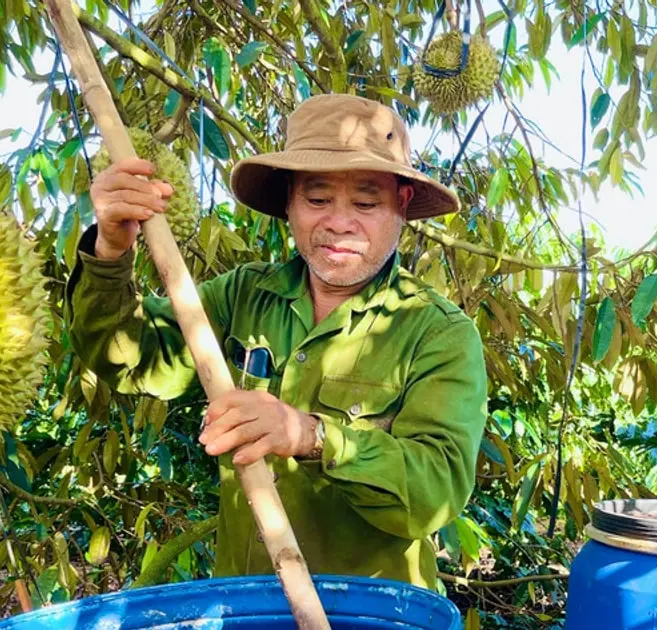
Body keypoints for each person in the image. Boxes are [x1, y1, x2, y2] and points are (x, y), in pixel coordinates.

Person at [63, 93, 489, 591]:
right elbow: (132, 357)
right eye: (317, 200)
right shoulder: (242, 295)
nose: (339, 222)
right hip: (247, 601)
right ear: (289, 202)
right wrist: (111, 250)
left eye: (366, 203)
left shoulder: (437, 332)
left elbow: (436, 488)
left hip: (371, 612)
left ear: (403, 203)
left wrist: (312, 437)